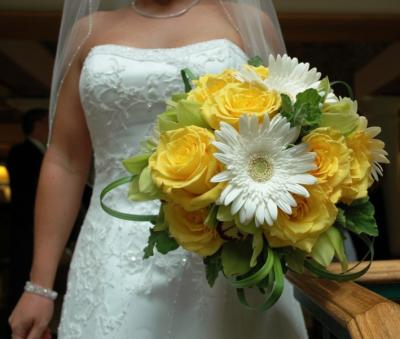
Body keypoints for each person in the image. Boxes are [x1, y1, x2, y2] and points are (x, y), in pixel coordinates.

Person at [9, 1, 308, 338]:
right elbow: (65, 159)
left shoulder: (247, 23)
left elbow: (287, 140)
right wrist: (40, 286)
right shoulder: (89, 32)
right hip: (113, 250)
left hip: (226, 244)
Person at [6, 109, 48, 336]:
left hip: (34, 228)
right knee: (22, 276)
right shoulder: (20, 152)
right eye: (46, 121)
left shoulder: (42, 153)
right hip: (26, 228)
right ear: (37, 124)